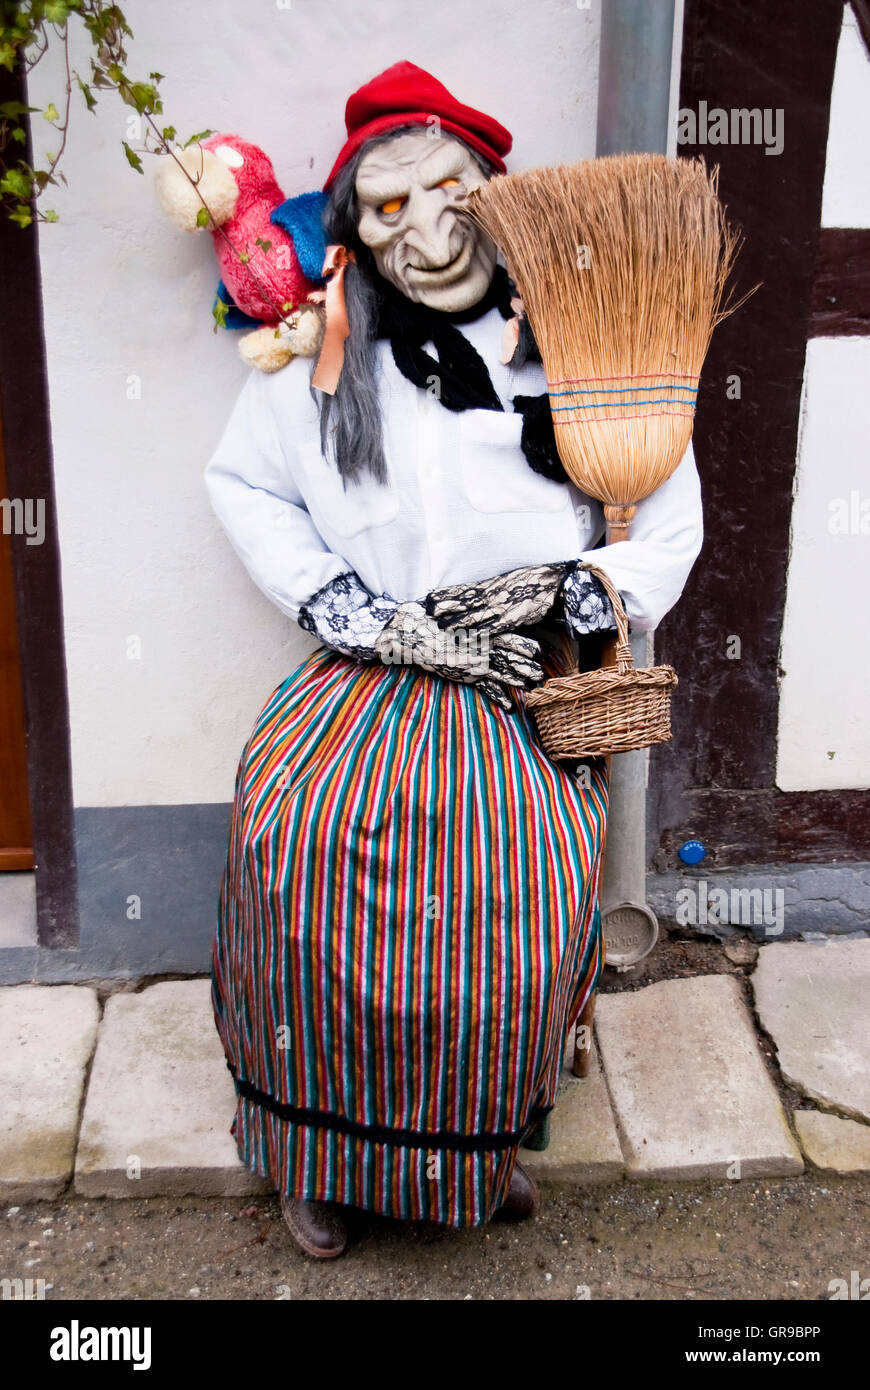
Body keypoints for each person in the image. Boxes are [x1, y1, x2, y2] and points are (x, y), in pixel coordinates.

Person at [205, 61, 703, 1259]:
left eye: (451, 192)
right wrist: (351, 609)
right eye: (389, 209)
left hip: (518, 699)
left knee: (513, 915)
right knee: (302, 880)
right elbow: (244, 486)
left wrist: (580, 590)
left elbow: (671, 510)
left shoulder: (584, 350)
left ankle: (465, 1151)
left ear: (499, 194)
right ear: (356, 236)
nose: (427, 233)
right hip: (368, 683)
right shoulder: (322, 360)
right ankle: (317, 1159)